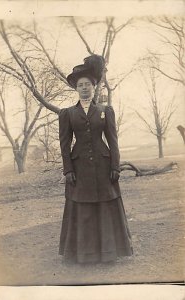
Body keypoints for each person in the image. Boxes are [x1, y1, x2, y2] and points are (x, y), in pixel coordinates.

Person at [59, 54, 133, 264]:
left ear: (94, 87)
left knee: (104, 207)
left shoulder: (105, 111)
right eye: (80, 85)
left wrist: (115, 166)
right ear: (76, 88)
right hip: (79, 168)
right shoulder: (67, 114)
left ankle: (108, 253)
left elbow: (113, 141)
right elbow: (65, 145)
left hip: (103, 167)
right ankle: (85, 254)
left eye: (88, 85)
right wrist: (68, 170)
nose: (84, 88)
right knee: (83, 209)